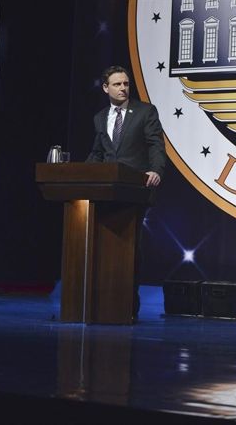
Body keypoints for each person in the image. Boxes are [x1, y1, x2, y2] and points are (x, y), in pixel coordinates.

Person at [86, 65, 166, 317]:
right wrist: (81, 173)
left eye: (126, 84)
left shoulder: (145, 111)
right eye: (118, 84)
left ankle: (129, 305)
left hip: (135, 188)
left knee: (131, 245)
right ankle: (100, 302)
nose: (123, 88)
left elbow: (156, 144)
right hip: (107, 191)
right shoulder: (100, 117)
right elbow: (98, 153)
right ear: (105, 88)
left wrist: (156, 171)